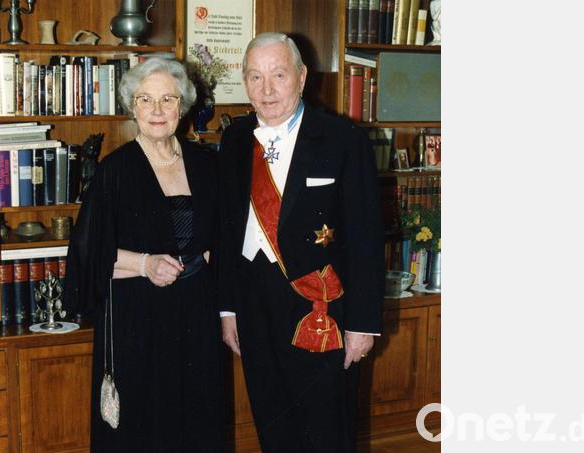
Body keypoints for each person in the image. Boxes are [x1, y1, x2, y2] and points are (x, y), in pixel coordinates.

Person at [216, 33, 385, 452]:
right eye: (255, 77)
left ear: (302, 76)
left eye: (278, 75)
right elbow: (224, 231)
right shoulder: (235, 140)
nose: (267, 89)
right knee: (272, 423)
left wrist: (362, 324)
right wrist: (227, 308)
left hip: (318, 306)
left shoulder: (344, 140)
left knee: (326, 428)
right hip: (253, 306)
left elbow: (366, 239)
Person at [64, 57, 223, 453]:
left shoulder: (206, 165)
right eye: (145, 99)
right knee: (142, 430)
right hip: (137, 321)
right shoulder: (113, 172)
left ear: (182, 107)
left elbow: (223, 232)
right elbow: (87, 255)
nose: (156, 111)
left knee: (196, 423)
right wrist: (144, 263)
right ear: (131, 106)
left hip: (196, 319)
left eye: (167, 99)